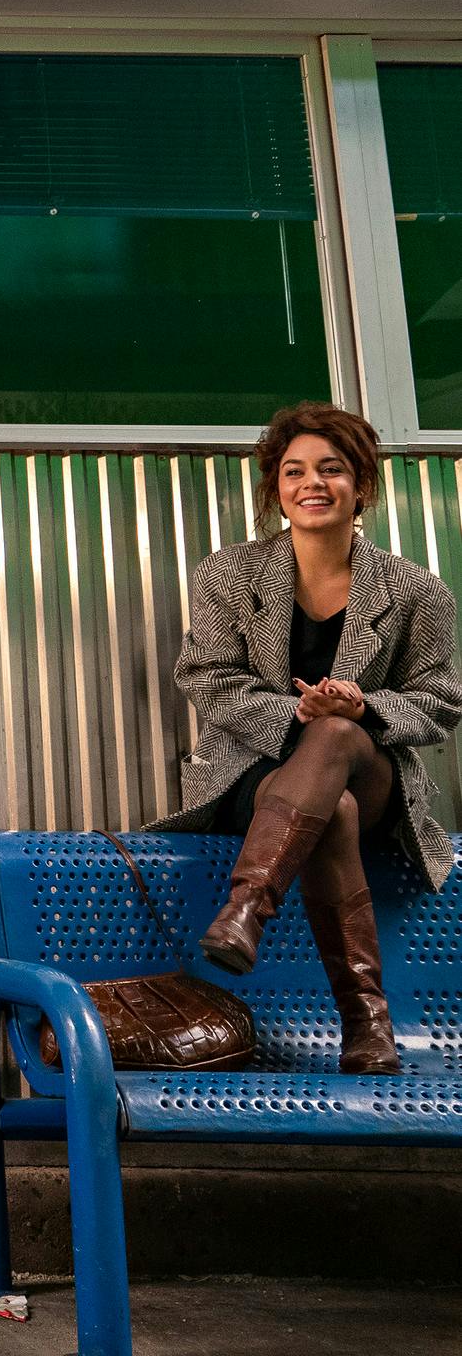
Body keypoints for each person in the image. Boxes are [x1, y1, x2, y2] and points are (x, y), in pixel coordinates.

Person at [152, 401, 461, 1075]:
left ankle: (246, 909)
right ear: (276, 489)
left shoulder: (415, 592)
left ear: (362, 487)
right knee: (333, 812)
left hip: (368, 771)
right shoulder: (228, 575)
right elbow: (207, 677)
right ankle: (366, 1025)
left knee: (338, 739)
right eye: (294, 472)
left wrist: (363, 707)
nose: (311, 484)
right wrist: (293, 714)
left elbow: (440, 702)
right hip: (255, 776)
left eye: (331, 469)